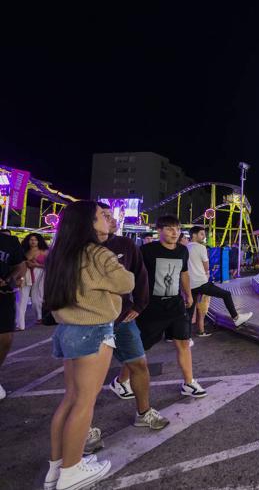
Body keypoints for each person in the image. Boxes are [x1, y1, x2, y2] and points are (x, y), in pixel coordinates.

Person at [43, 201, 135, 490]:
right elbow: (126, 282)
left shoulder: (61, 254)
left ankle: (56, 468)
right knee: (85, 402)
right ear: (88, 223)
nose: (107, 220)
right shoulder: (97, 253)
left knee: (71, 399)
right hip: (93, 330)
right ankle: (72, 472)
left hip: (67, 329)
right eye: (101, 216)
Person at [96, 203, 169, 436]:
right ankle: (83, 428)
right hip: (91, 322)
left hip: (124, 319)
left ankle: (143, 412)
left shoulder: (125, 245)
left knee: (139, 364)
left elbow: (140, 275)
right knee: (89, 378)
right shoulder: (80, 249)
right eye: (104, 215)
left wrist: (139, 304)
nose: (111, 219)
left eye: (111, 215)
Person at [137, 215, 205, 398]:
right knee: (140, 348)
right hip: (152, 308)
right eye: (169, 228)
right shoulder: (146, 251)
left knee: (183, 342)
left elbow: (184, 273)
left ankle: (189, 383)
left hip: (175, 305)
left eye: (177, 228)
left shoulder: (182, 251)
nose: (175, 233)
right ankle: (121, 380)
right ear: (159, 230)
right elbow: (135, 276)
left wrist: (188, 295)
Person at [187, 226, 252, 332]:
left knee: (190, 310)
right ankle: (236, 318)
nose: (204, 237)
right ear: (194, 235)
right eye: (202, 234)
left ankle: (185, 336)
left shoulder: (186, 247)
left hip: (190, 284)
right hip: (201, 283)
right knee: (226, 294)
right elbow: (206, 267)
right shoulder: (201, 248)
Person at [0, 230, 26, 400]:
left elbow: (20, 266)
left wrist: (9, 278)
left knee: (5, 338)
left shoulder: (9, 241)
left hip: (2, 295)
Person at [15, 233, 49, 329]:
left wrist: (37, 265)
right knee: (21, 299)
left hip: (40, 274)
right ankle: (20, 324)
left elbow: (50, 265)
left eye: (35, 240)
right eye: (31, 240)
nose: (33, 242)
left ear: (39, 241)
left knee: (37, 298)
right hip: (25, 275)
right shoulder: (23, 251)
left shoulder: (45, 252)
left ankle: (40, 317)